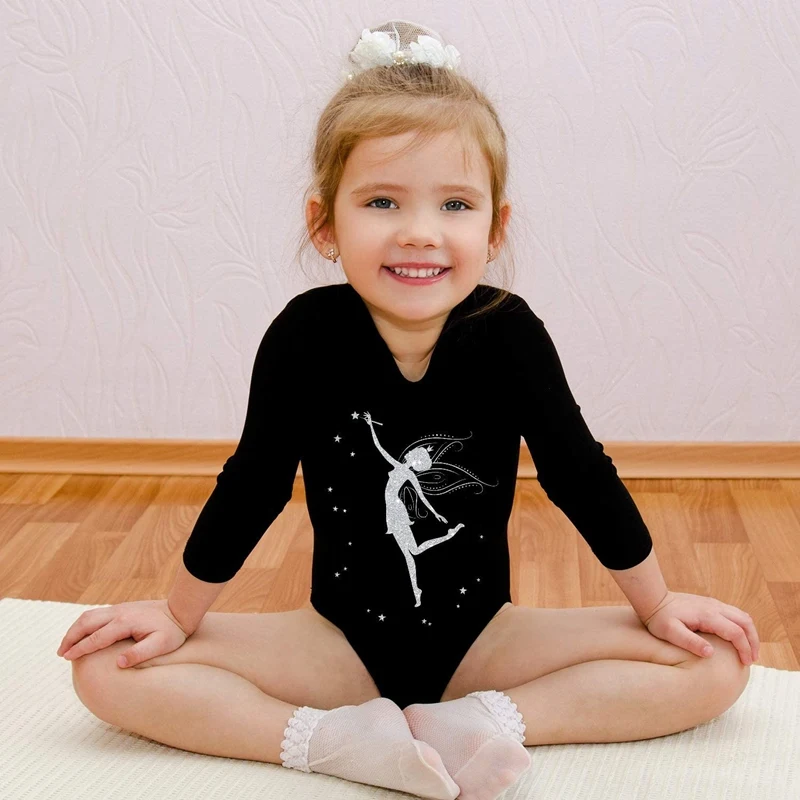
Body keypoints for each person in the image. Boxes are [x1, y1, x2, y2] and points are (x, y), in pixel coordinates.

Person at [57, 19, 758, 800]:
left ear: (495, 227)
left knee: (714, 661)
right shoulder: (304, 336)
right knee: (105, 669)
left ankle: (481, 719)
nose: (419, 233)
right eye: (382, 201)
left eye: (454, 204)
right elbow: (252, 485)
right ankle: (339, 741)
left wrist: (658, 605)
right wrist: (178, 616)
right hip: (335, 645)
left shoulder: (510, 333)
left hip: (486, 640)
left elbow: (579, 475)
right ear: (325, 223)